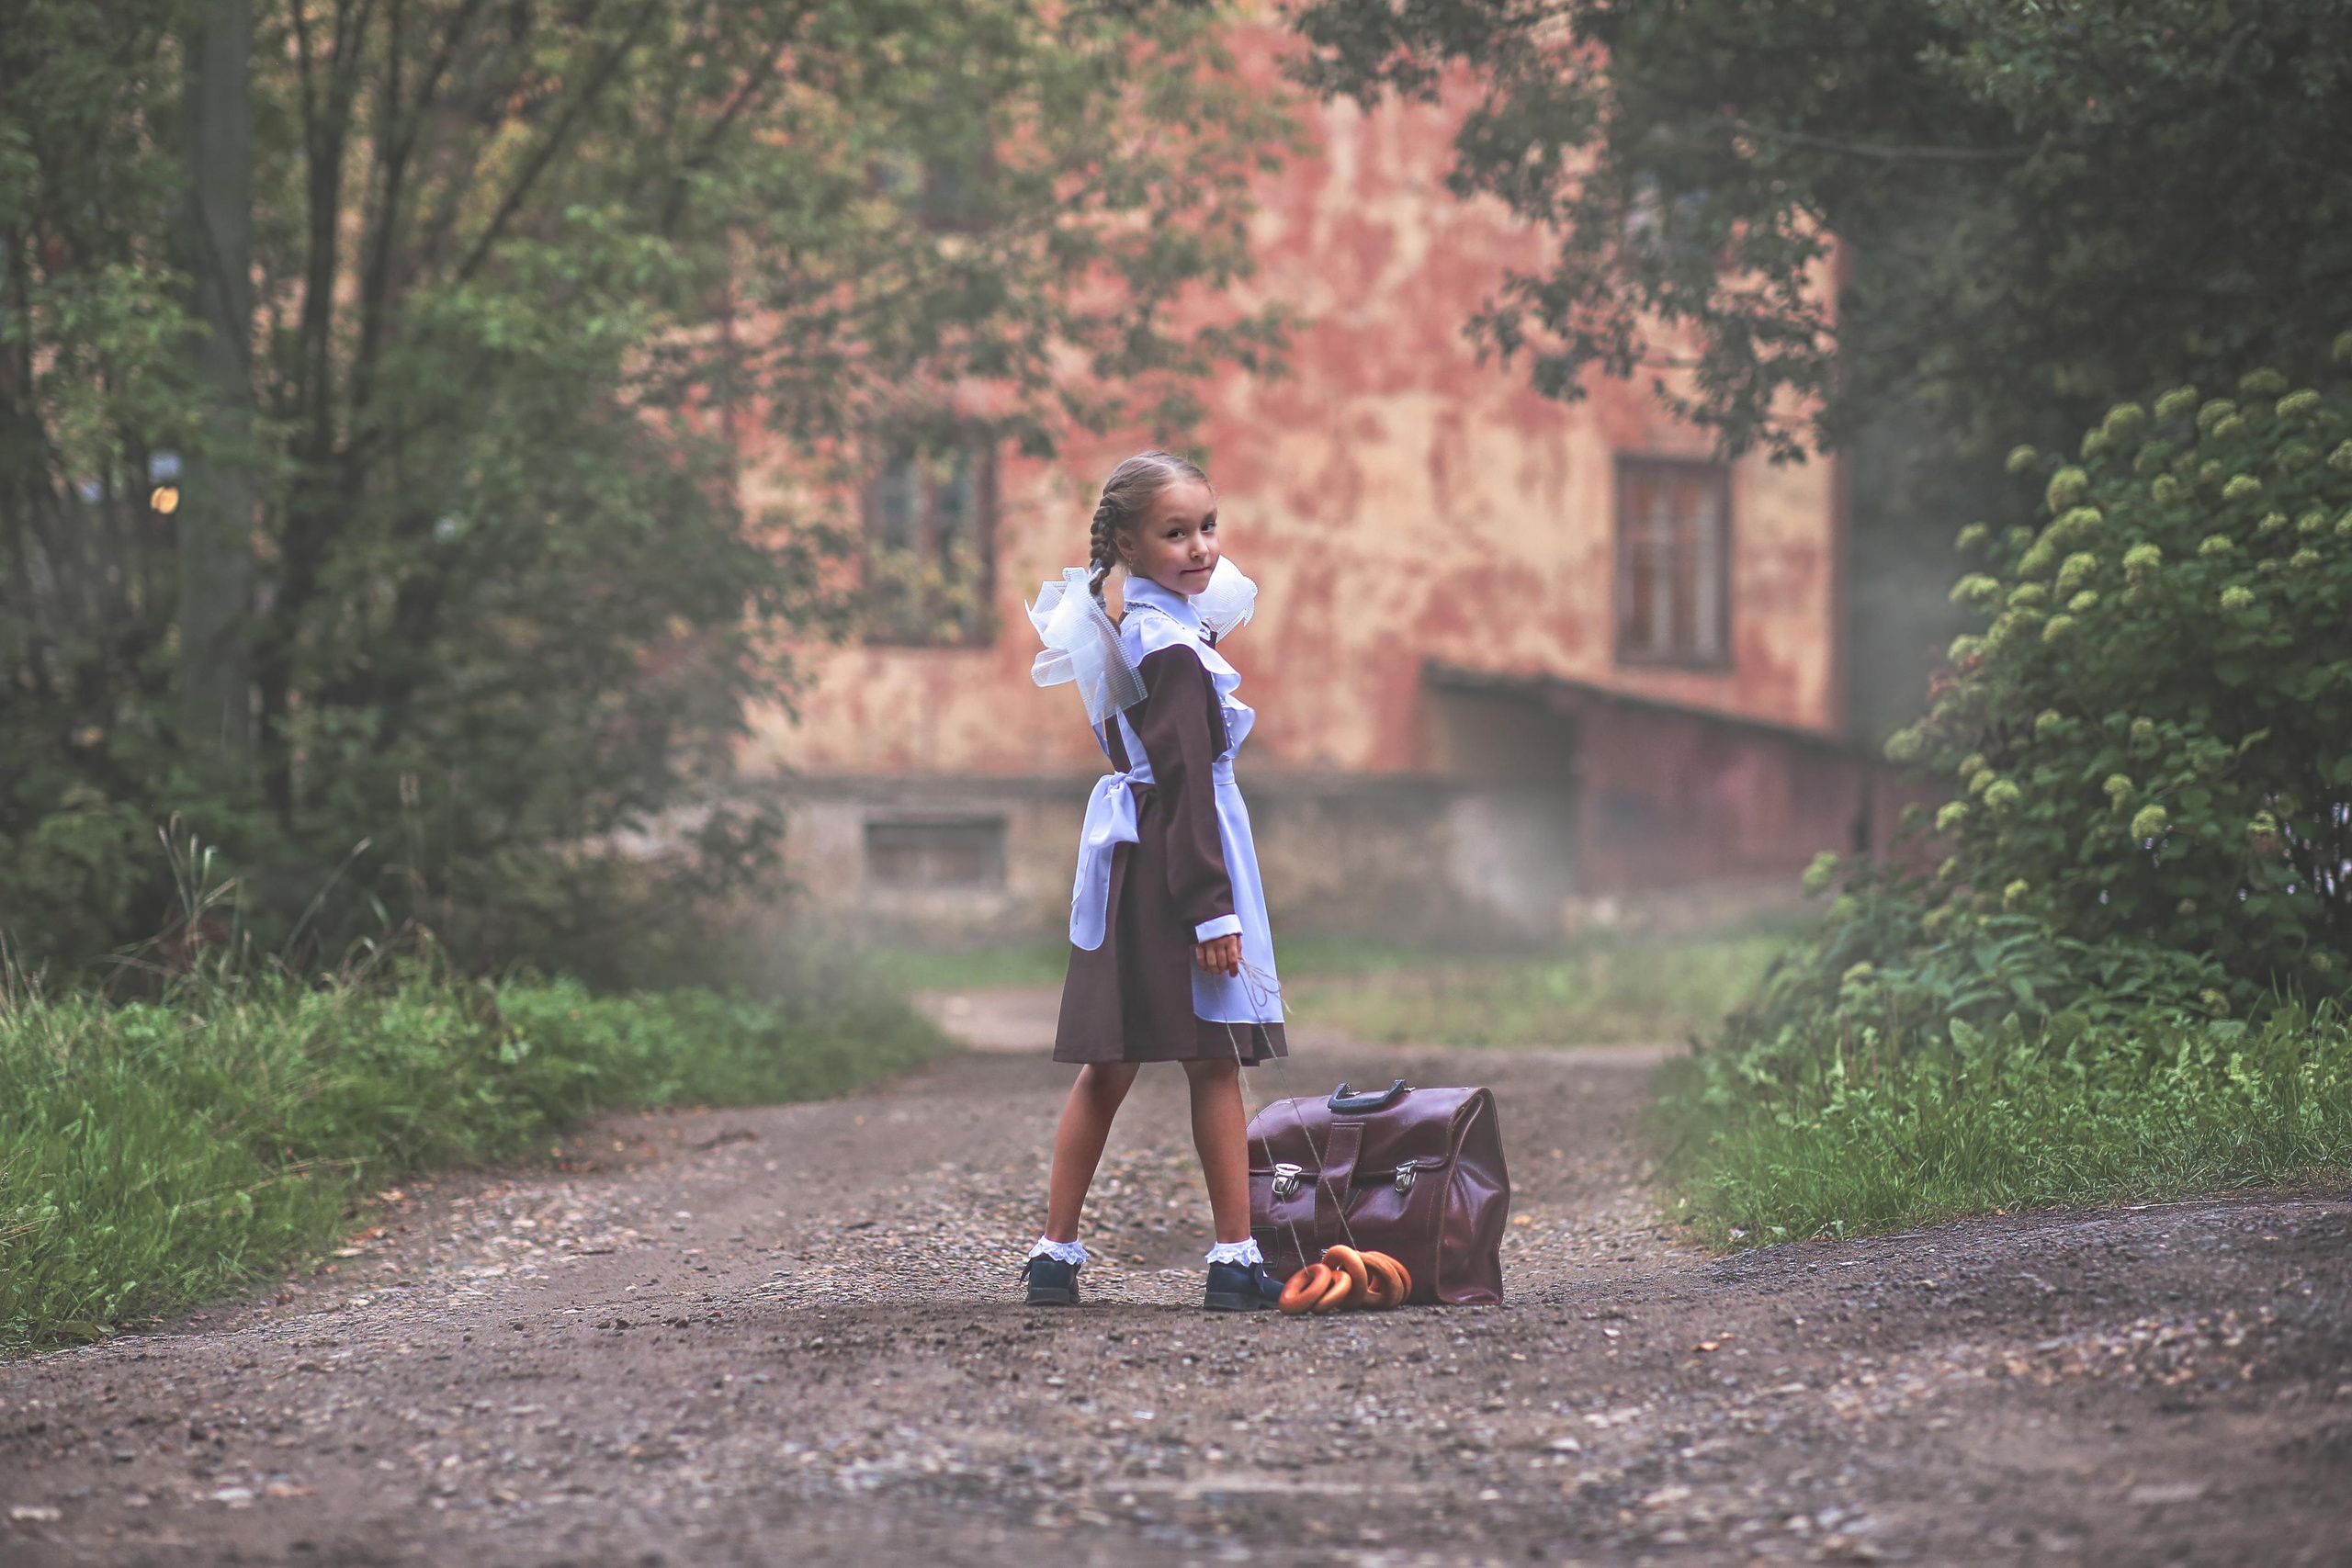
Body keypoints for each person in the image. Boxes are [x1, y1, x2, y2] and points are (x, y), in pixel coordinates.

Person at [1020, 450, 1287, 1311]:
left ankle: (1054, 1255)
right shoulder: (1170, 647)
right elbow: (1183, 785)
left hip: (1135, 863)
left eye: (1207, 526)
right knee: (1215, 1059)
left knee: (1112, 1062)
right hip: (1177, 867)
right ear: (1130, 545)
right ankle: (1235, 1259)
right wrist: (1212, 912)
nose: (1201, 547)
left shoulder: (1137, 624)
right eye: (1176, 533)